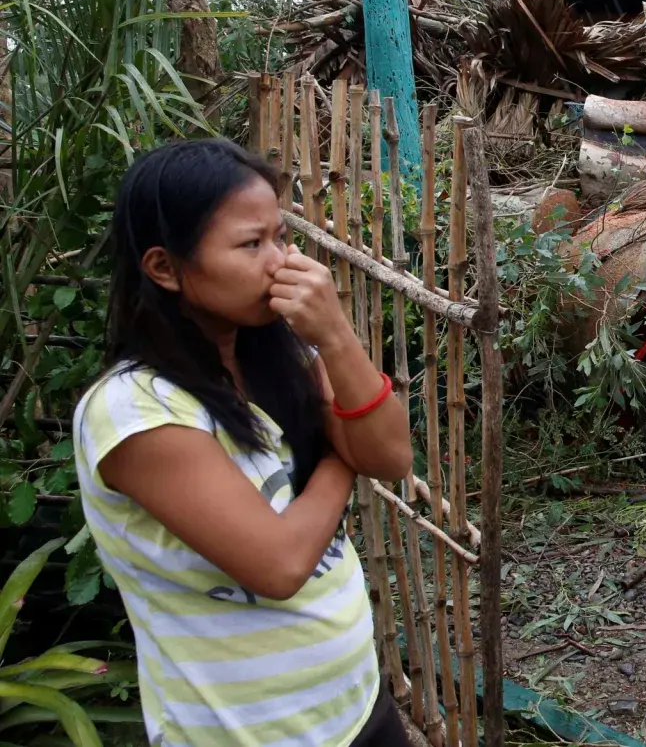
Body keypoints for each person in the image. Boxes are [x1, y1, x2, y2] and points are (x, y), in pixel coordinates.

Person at [73, 139, 415, 746]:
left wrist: (336, 336)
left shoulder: (282, 352)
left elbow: (390, 457)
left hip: (360, 710)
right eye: (251, 245)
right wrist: (340, 458)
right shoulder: (134, 410)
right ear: (164, 267)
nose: (281, 262)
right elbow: (279, 564)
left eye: (280, 238)